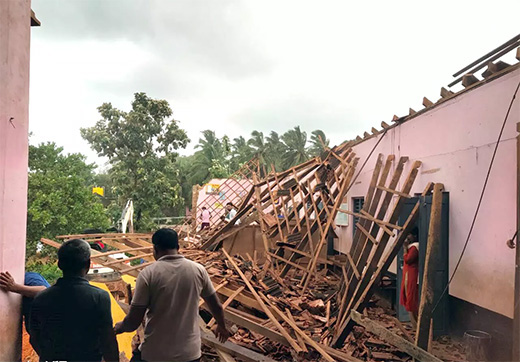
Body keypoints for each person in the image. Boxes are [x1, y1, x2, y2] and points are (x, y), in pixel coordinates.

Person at [115, 228, 230, 362]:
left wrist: (119, 328)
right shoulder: (198, 270)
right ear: (178, 247)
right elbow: (216, 305)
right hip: (190, 354)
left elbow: (134, 321)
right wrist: (221, 326)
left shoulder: (148, 274)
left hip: (156, 354)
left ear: (155, 249)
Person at [29, 239, 119, 362]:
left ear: (59, 264)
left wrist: (49, 357)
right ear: (88, 265)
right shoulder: (99, 297)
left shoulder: (41, 298)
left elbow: (34, 338)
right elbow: (108, 341)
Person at [400, 227, 420, 328]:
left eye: (409, 235)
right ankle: (413, 323)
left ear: (415, 236)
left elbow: (408, 259)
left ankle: (415, 324)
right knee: (408, 296)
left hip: (412, 275)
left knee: (411, 298)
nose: (408, 237)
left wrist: (404, 249)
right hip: (409, 274)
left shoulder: (414, 247)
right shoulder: (412, 247)